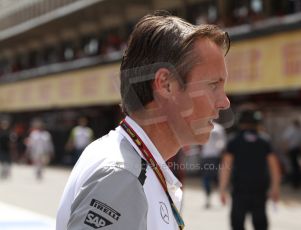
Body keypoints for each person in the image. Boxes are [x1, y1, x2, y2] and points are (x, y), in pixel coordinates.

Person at [56, 11, 231, 230]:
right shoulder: (122, 176)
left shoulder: (128, 162)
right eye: (213, 85)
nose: (225, 102)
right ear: (166, 85)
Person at [219, 109, 281, 230]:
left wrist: (222, 188)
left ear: (240, 123)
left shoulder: (234, 140)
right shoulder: (264, 140)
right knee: (260, 224)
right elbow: (274, 167)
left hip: (239, 190)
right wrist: (275, 188)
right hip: (259, 190)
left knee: (237, 224)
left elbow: (226, 166)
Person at [200, 122, 226, 208]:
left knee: (209, 178)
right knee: (211, 177)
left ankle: (214, 197)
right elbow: (223, 143)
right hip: (211, 156)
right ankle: (213, 196)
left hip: (209, 156)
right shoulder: (218, 128)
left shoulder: (206, 127)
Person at [282, 118, 301, 189]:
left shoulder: (300, 131)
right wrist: (286, 149)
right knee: (294, 166)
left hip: (297, 150)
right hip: (293, 150)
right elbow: (286, 140)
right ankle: (295, 183)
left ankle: (296, 182)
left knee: (296, 167)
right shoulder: (291, 130)